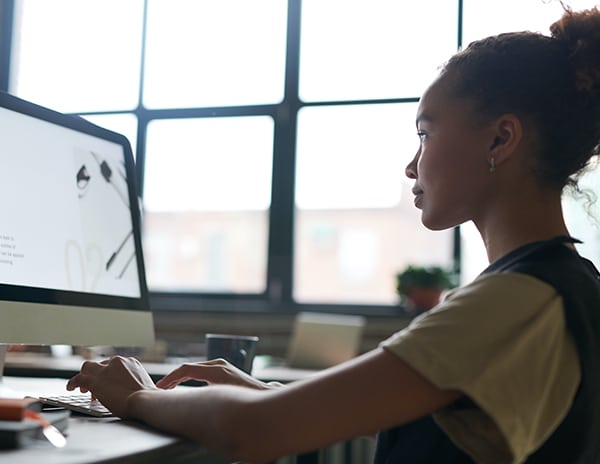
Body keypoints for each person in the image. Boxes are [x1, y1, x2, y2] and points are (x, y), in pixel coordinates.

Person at [67, 6, 600, 463]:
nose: (412, 166)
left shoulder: (516, 301)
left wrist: (137, 396)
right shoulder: (567, 286)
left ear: (501, 138)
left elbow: (258, 431)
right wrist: (261, 392)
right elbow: (442, 429)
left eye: (425, 133)